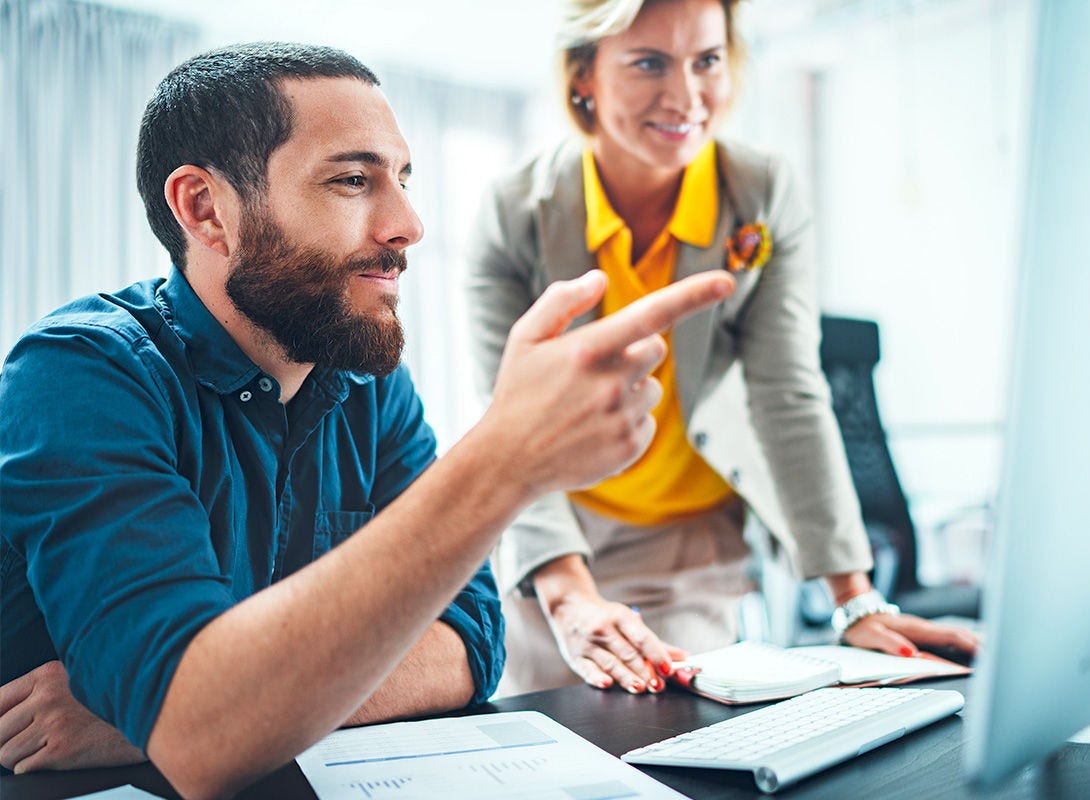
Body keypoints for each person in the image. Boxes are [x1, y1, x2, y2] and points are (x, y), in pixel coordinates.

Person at [0, 42, 734, 797]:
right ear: (205, 208)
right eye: (353, 180)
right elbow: (202, 741)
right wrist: (507, 457)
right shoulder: (80, 374)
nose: (408, 223)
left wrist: (191, 711)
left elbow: (475, 642)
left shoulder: (366, 381)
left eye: (404, 179)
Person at [466, 0, 980, 697]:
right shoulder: (513, 212)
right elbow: (506, 422)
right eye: (649, 62)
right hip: (555, 530)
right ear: (583, 75)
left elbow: (788, 392)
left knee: (667, 736)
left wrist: (854, 597)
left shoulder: (759, 194)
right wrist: (566, 595)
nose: (686, 97)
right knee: (552, 743)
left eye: (706, 60)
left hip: (687, 541)